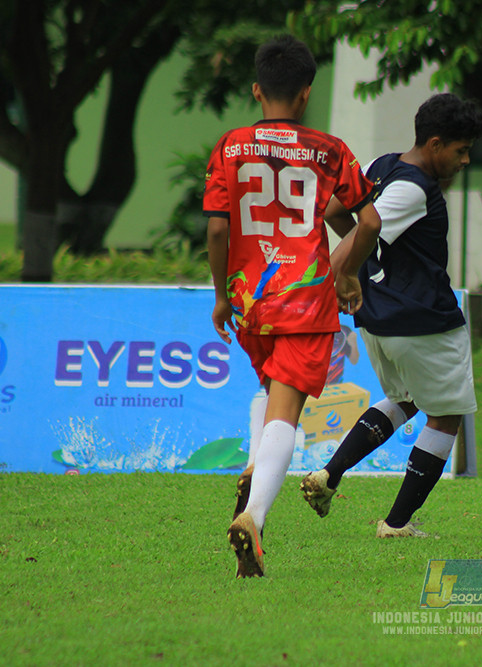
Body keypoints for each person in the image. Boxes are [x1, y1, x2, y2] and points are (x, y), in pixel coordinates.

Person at [203, 35, 381, 577]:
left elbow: (216, 227)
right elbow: (368, 221)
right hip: (303, 300)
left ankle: (259, 461)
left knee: (271, 394)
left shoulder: (230, 147)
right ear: (306, 94)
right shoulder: (329, 151)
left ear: (257, 90)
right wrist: (346, 272)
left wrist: (219, 295)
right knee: (288, 410)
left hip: (248, 301)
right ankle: (254, 517)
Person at [300, 93, 482, 537]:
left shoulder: (382, 166)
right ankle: (397, 524)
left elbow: (333, 209)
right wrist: (342, 273)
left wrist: (371, 255)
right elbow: (357, 233)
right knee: (446, 416)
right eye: (460, 151)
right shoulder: (413, 188)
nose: (464, 161)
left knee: (407, 399)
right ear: (436, 143)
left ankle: (329, 474)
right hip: (422, 318)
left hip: (380, 318)